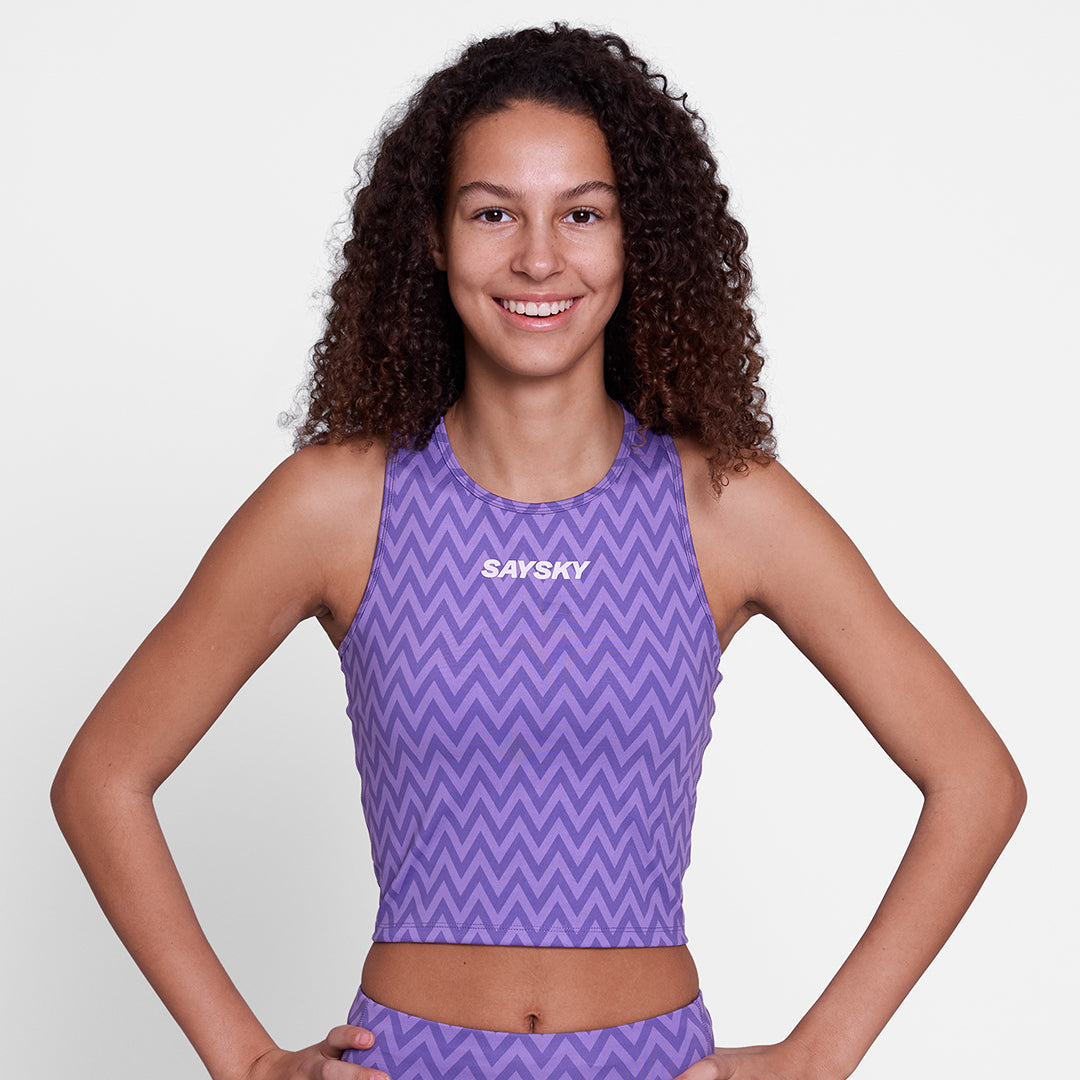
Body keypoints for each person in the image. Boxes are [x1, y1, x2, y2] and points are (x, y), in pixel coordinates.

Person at [51, 23, 1025, 1080]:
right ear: (434, 236)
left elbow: (976, 780)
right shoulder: (339, 504)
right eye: (492, 212)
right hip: (408, 1059)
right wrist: (248, 1062)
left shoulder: (724, 506)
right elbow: (103, 778)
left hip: (653, 1062)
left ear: (635, 239)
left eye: (583, 213)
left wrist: (817, 1055)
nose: (539, 257)